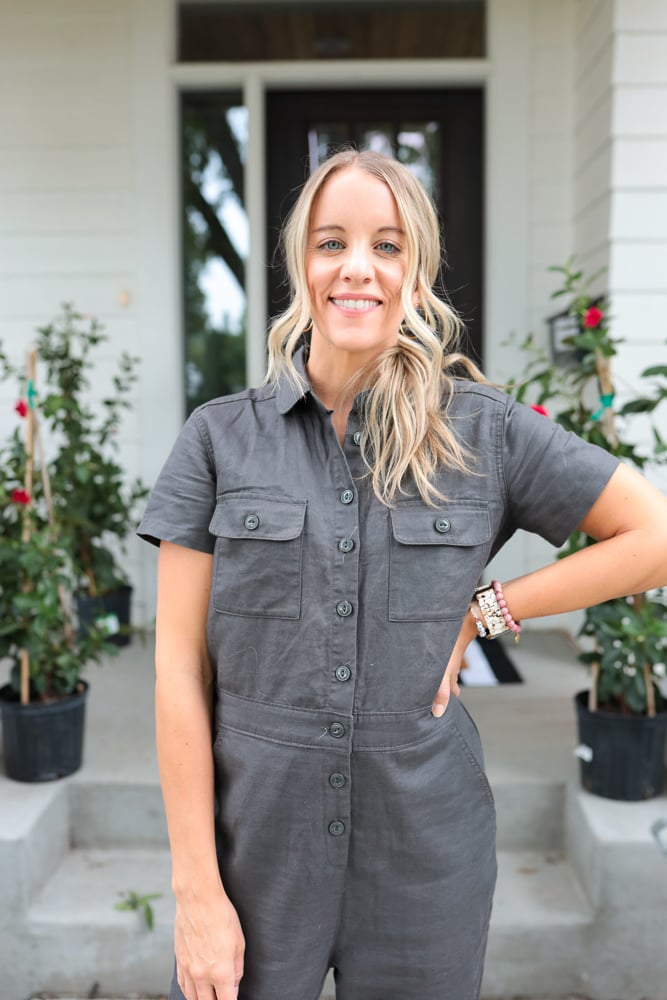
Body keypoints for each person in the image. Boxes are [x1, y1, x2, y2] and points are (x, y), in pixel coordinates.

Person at [137, 149, 667, 1000]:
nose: (357, 267)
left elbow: (653, 535)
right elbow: (175, 676)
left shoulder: (483, 431)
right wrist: (196, 888)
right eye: (330, 242)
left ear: (415, 274)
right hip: (255, 856)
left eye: (386, 246)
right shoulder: (216, 439)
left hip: (427, 859)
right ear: (298, 267)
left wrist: (485, 610)